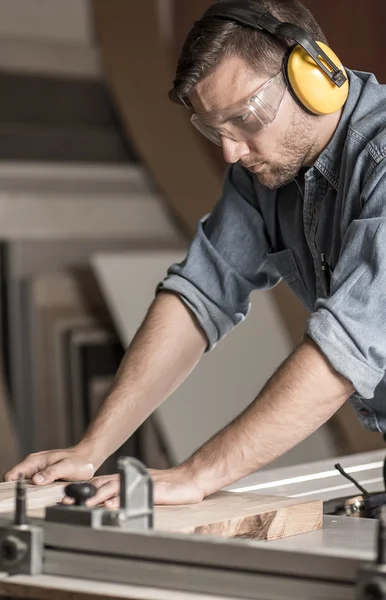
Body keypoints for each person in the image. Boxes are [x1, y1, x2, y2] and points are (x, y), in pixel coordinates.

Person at [5, 0, 386, 508]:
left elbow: (346, 348)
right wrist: (91, 448)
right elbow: (198, 296)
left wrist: (198, 475)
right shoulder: (264, 173)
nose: (231, 152)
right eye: (214, 131)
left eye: (244, 118)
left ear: (316, 74)